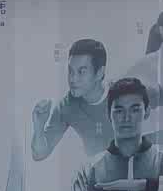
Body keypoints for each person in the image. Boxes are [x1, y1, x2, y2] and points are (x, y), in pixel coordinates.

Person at [32, 39, 163, 162]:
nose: (72, 79)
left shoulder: (126, 92)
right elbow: (39, 154)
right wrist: (38, 127)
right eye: (70, 71)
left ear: (100, 72)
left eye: (81, 72)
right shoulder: (66, 107)